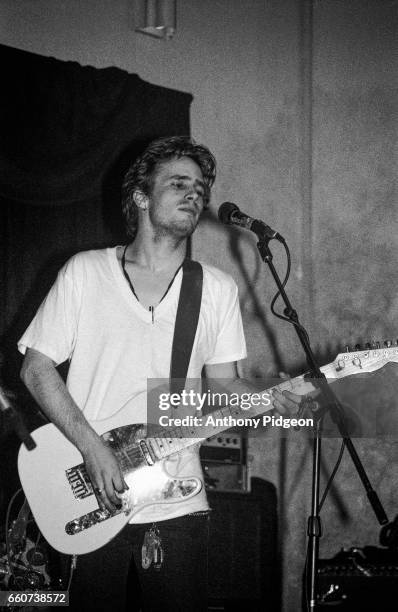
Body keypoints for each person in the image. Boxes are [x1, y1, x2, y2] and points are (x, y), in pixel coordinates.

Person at [18, 136, 299, 612]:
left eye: (201, 187)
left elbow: (226, 390)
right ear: (141, 197)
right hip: (91, 492)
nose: (196, 194)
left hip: (177, 501)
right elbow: (36, 368)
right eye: (179, 183)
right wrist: (92, 447)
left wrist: (280, 398)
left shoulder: (215, 289)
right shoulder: (85, 272)